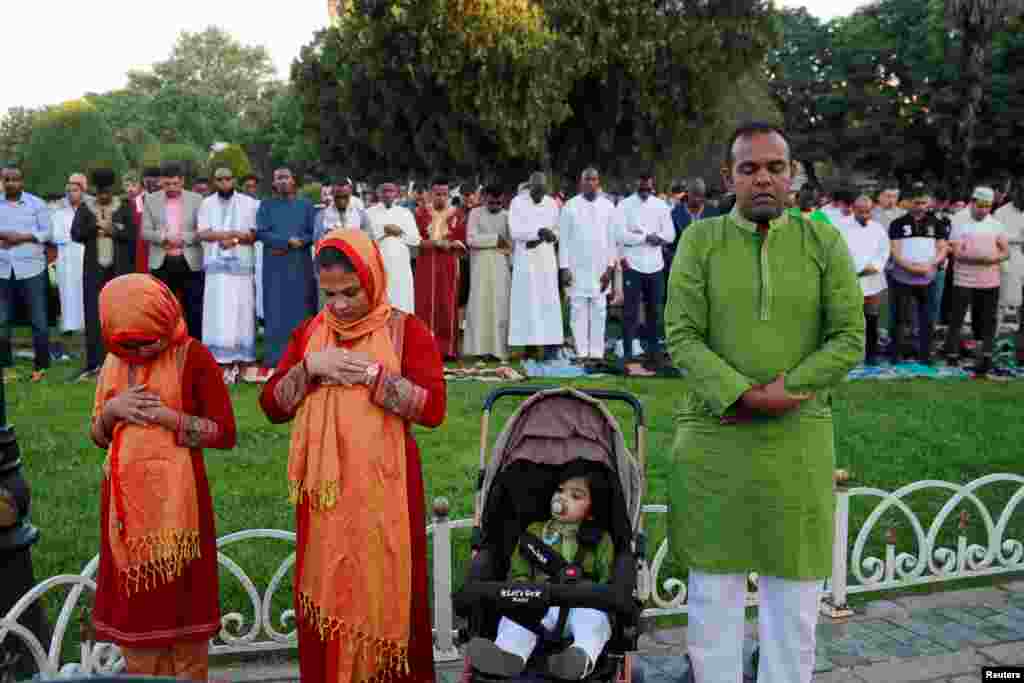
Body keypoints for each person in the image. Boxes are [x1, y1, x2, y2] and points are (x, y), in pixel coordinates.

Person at [665, 121, 864, 683]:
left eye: (776, 167)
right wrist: (741, 394)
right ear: (729, 176)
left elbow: (849, 337)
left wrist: (788, 391)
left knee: (795, 602)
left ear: (793, 176)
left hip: (796, 440)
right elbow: (681, 334)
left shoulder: (822, 240)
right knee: (712, 602)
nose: (763, 179)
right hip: (714, 436)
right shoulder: (699, 240)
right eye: (749, 168)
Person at [259, 229, 446, 683]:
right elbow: (273, 406)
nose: (339, 305)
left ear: (374, 279)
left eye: (350, 292)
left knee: (384, 590)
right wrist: (311, 367)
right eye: (329, 294)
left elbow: (434, 409)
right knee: (330, 589)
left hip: (387, 491)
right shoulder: (310, 334)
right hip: (325, 499)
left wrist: (374, 377)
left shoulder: (406, 331)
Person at [89, 274, 236, 681]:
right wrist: (112, 411)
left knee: (183, 612)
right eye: (130, 346)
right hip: (126, 513)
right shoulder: (115, 363)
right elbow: (98, 436)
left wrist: (169, 418)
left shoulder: (193, 356)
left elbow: (224, 432)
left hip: (180, 513)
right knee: (138, 623)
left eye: (149, 342)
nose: (142, 352)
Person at [466, 462, 615, 680]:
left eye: (576, 496)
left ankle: (578, 658)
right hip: (539, 601)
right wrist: (521, 584)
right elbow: (520, 568)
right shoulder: (535, 533)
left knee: (595, 622)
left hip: (582, 603)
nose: (563, 499)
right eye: (560, 491)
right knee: (516, 619)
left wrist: (600, 594)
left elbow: (608, 580)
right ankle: (507, 655)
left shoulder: (600, 540)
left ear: (591, 509)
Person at [71, 169, 137, 380]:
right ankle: (95, 363)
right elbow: (76, 233)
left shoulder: (124, 206)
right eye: (100, 193)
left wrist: (113, 230)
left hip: (119, 270)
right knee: (93, 315)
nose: (103, 197)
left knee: (120, 315)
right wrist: (95, 226)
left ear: (112, 190)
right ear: (95, 192)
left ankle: (122, 361)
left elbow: (132, 235)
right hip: (94, 270)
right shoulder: (85, 207)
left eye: (107, 192)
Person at [254, 168, 318, 380]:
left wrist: (301, 241)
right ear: (273, 183)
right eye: (278, 178)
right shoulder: (266, 205)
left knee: (300, 308)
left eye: (286, 178)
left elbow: (312, 232)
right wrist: (285, 241)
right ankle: (276, 357)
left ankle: (302, 354)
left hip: (300, 264)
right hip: (275, 266)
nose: (282, 182)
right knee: (276, 308)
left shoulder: (306, 205)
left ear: (294, 180)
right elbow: (261, 232)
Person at [197, 168, 260, 382]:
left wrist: (232, 240)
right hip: (216, 269)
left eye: (228, 179)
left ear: (234, 180)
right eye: (219, 180)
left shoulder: (248, 203)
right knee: (218, 313)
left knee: (242, 311)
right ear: (214, 182)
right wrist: (230, 234)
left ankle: (243, 360)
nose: (224, 183)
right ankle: (220, 362)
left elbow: (252, 234)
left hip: (241, 267)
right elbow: (203, 233)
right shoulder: (206, 204)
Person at [942, 187, 1009, 375]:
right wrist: (981, 258)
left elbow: (1005, 251)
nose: (984, 210)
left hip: (989, 280)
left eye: (988, 207)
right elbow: (956, 252)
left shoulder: (996, 224)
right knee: (957, 318)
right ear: (972, 202)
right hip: (964, 279)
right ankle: (952, 354)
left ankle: (985, 355)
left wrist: (993, 259)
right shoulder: (960, 221)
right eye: (980, 206)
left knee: (988, 319)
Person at [614, 172, 675, 375]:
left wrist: (658, 238)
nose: (645, 192)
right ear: (636, 185)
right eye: (642, 188)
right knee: (630, 312)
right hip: (633, 265)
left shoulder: (661, 206)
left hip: (655, 266)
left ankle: (653, 354)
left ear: (652, 186)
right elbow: (620, 234)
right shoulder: (624, 206)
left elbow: (670, 234)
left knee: (655, 311)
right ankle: (629, 353)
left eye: (648, 188)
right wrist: (644, 238)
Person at [141, 162, 206, 339]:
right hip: (162, 262)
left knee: (194, 308)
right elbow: (145, 231)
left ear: (182, 181)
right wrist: (163, 237)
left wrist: (183, 238)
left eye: (175, 184)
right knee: (163, 310)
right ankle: (165, 347)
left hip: (190, 260)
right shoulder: (151, 200)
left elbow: (203, 231)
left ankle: (194, 347)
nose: (171, 188)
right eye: (167, 184)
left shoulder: (197, 200)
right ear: (161, 182)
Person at [887, 183, 950, 364]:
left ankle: (925, 354)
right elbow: (895, 250)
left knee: (927, 317)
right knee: (900, 317)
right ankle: (897, 353)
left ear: (928, 203)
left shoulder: (937, 223)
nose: (919, 206)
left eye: (923, 202)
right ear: (908, 203)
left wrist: (931, 264)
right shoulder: (897, 223)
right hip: (902, 277)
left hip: (927, 276)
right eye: (916, 202)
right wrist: (909, 266)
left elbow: (942, 248)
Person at [0, 164, 51, 382]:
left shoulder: (36, 204)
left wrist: (21, 238)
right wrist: (4, 235)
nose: (11, 183)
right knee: (2, 320)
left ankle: (42, 364)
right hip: (3, 269)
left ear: (22, 181)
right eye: (7, 179)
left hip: (32, 268)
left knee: (38, 320)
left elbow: (48, 232)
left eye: (15, 179)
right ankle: (5, 364)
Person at [558, 168, 616, 362]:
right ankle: (582, 352)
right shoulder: (570, 206)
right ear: (581, 182)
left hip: (601, 268)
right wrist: (564, 267)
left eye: (593, 179)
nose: (590, 183)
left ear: (598, 182)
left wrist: (610, 268)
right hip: (576, 268)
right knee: (577, 310)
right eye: (586, 179)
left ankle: (597, 353)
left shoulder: (608, 207)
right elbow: (564, 240)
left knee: (600, 310)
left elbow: (612, 240)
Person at [508, 172, 564, 359]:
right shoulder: (518, 202)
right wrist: (537, 233)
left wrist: (551, 235)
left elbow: (557, 229)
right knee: (527, 303)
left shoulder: (551, 203)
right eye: (536, 190)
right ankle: (529, 348)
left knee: (549, 302)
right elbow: (515, 231)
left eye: (542, 190)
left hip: (547, 258)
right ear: (530, 186)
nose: (539, 194)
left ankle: (550, 348)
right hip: (526, 260)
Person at [415, 180, 466, 360]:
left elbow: (462, 239)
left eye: (444, 194)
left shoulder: (456, 214)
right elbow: (416, 238)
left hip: (448, 262)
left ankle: (447, 350)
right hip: (426, 261)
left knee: (447, 302)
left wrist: (452, 244)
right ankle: (425, 349)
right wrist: (433, 243)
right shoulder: (421, 213)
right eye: (437, 194)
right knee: (425, 303)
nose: (441, 197)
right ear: (430, 194)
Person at [837, 196, 890, 365]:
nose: (865, 215)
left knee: (871, 319)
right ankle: (848, 355)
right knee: (850, 320)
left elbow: (884, 251)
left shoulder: (878, 228)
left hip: (872, 280)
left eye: (868, 212)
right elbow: (835, 249)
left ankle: (871, 355)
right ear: (853, 208)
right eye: (861, 212)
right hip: (849, 279)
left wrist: (875, 266)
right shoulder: (841, 226)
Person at [464, 185, 512, 361]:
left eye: (499, 203)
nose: (495, 206)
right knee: (481, 306)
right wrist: (496, 240)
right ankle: (480, 350)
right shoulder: (475, 214)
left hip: (501, 266)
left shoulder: (507, 216)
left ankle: (499, 350)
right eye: (492, 202)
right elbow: (470, 239)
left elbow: (510, 245)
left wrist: (501, 243)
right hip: (480, 266)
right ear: (484, 199)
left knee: (500, 306)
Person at [367, 182, 420, 314]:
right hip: (379, 265)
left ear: (396, 193)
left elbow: (416, 240)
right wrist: (383, 232)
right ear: (378, 193)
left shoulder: (405, 213)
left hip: (400, 267)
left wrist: (399, 232)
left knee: (401, 304)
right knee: (379, 305)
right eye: (384, 191)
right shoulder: (369, 213)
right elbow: (365, 239)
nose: (388, 194)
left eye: (391, 191)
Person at [668, 178, 718, 292]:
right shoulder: (675, 214)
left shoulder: (713, 213)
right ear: (687, 194)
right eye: (694, 195)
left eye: (700, 195)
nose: (697, 199)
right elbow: (671, 243)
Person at [993, 184, 1024, 364]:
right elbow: (998, 237)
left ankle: (1019, 350)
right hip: (1009, 261)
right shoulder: (1002, 213)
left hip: (1019, 259)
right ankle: (996, 347)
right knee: (1005, 305)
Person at [52, 175, 86, 335]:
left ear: (82, 192)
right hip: (66, 256)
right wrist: (73, 235)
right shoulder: (59, 212)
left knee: (84, 289)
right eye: (69, 191)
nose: (72, 193)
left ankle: (86, 323)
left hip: (84, 254)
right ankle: (68, 325)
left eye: (75, 190)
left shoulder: (88, 211)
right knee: (67, 291)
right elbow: (55, 235)